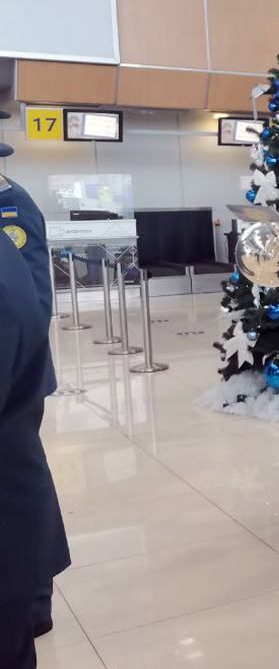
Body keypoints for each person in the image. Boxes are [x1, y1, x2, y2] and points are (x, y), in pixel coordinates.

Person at [0, 132, 71, 642]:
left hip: (15, 379)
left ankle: (37, 594)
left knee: (24, 482)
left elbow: (30, 304)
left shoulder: (12, 207)